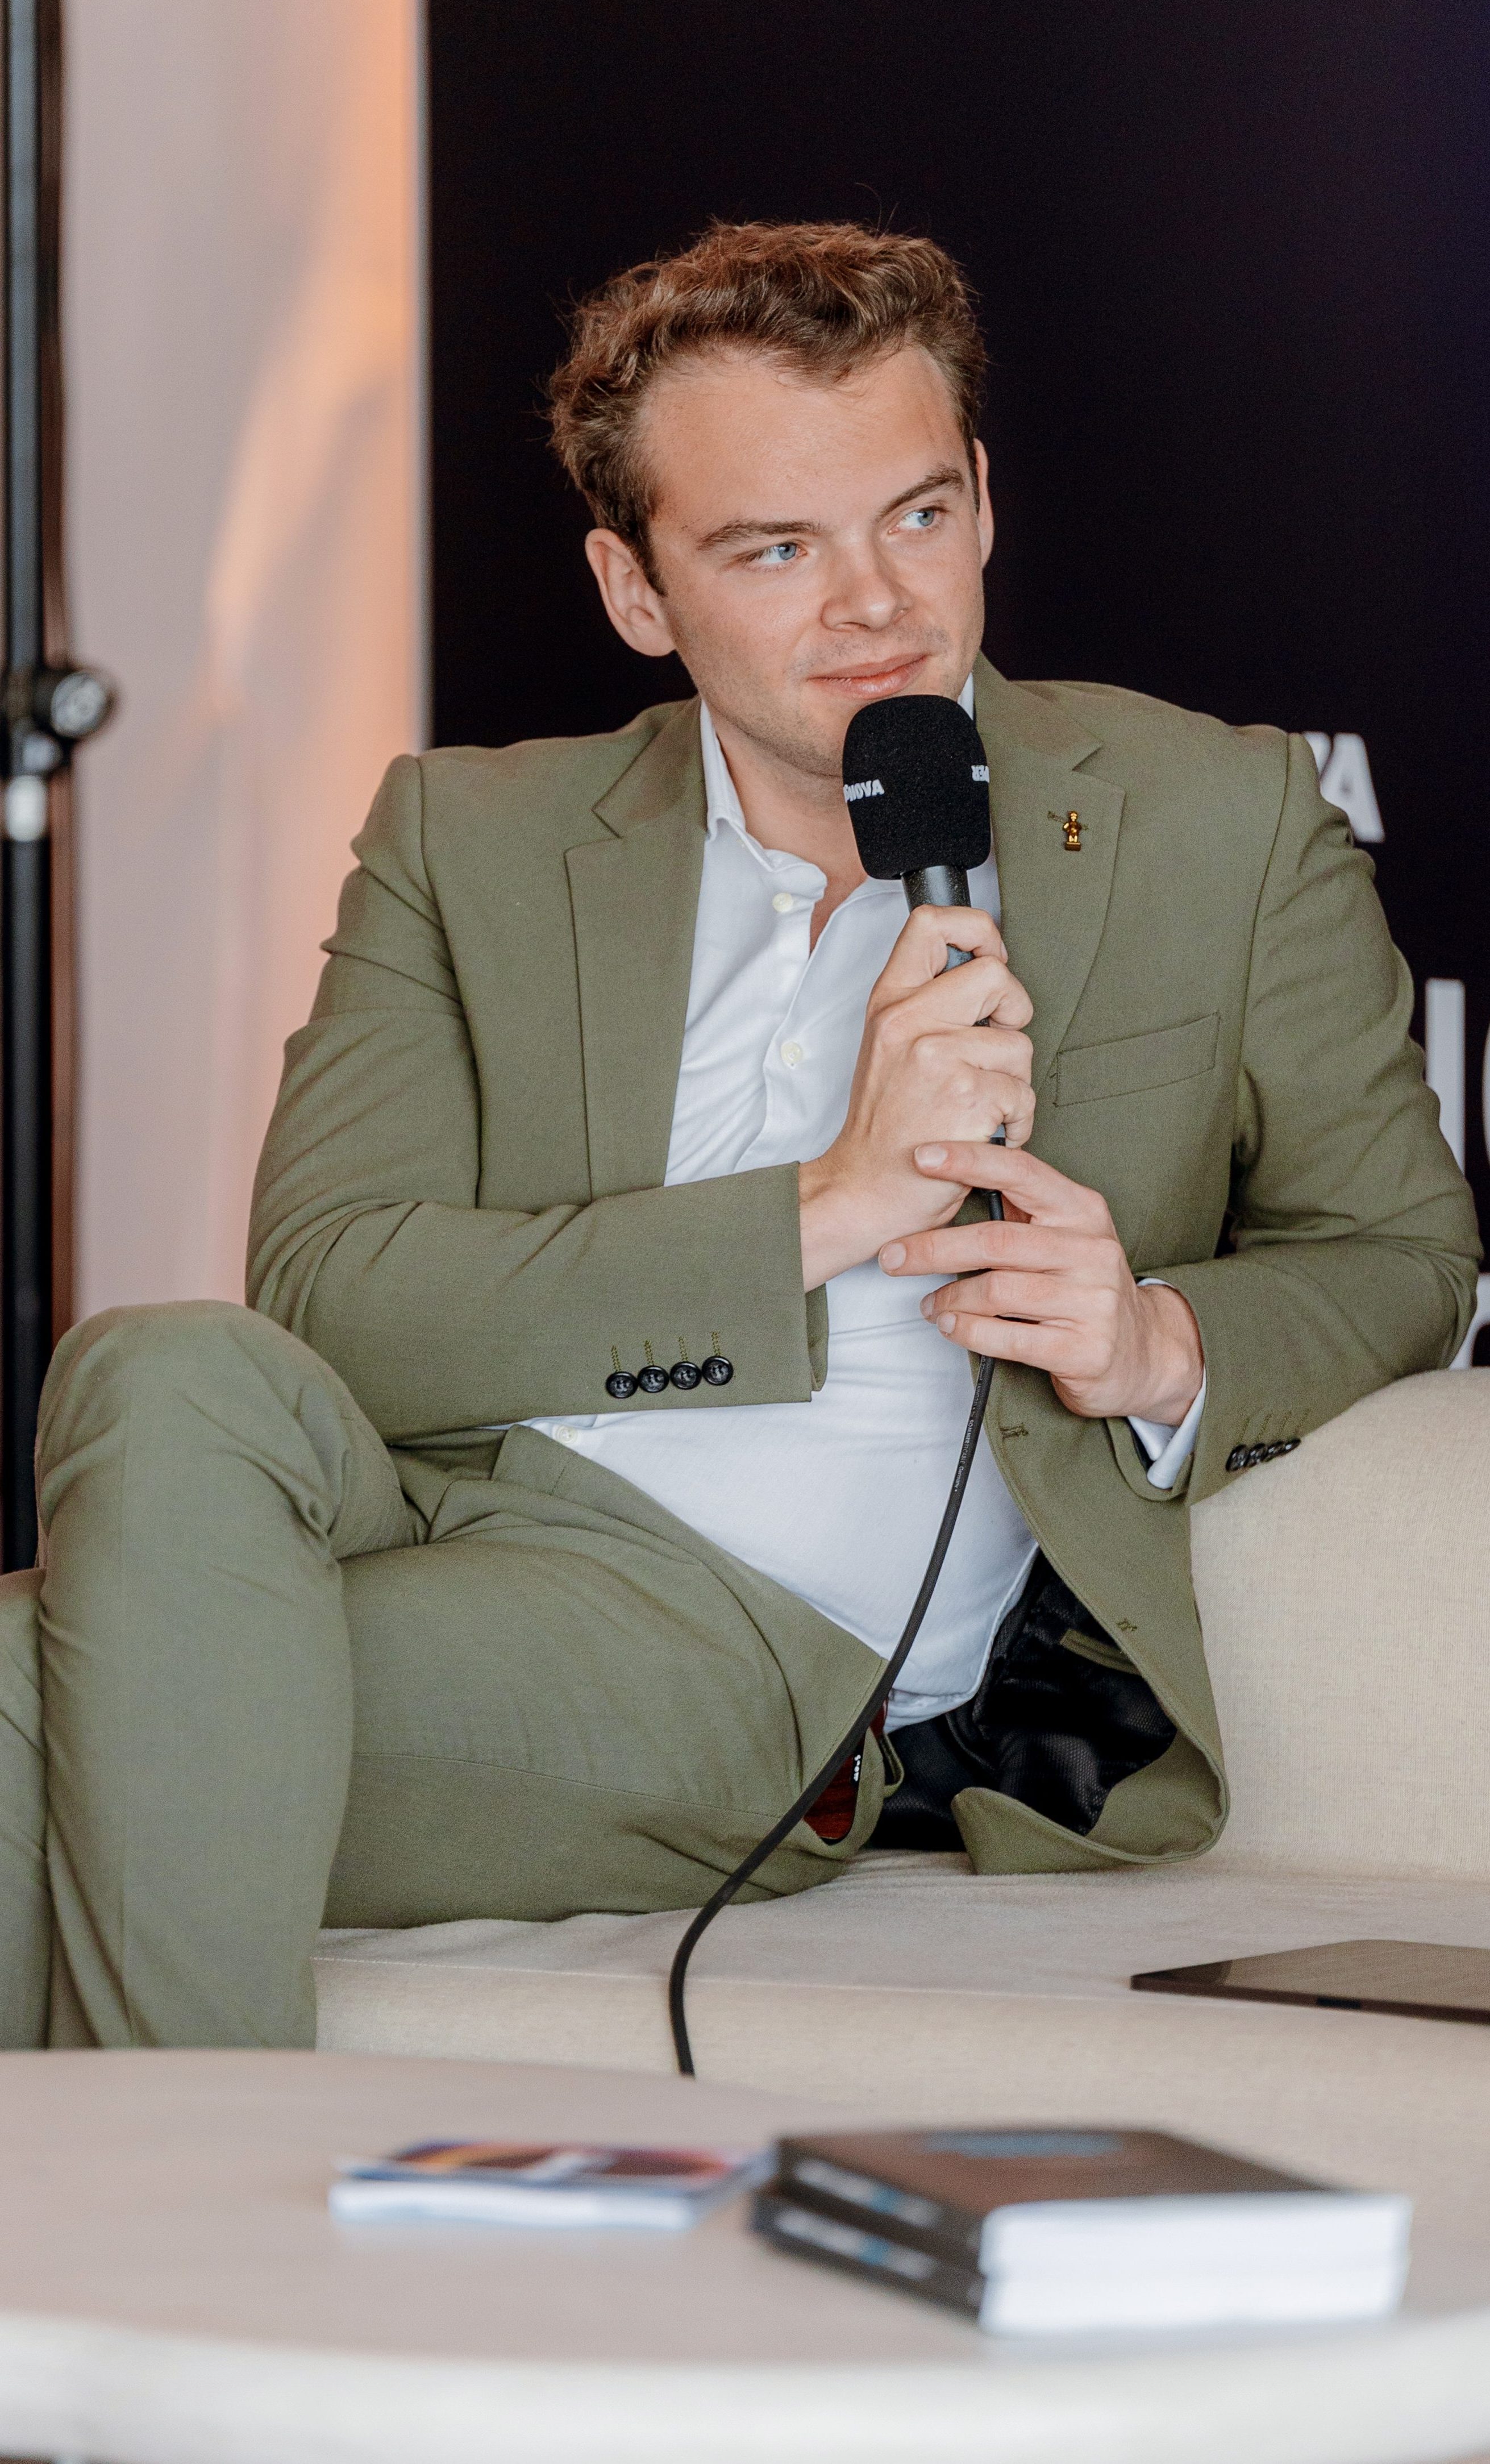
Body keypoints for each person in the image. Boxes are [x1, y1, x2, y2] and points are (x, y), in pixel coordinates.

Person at [0, 222, 1477, 2049]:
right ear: (638, 591)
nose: (875, 604)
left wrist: (1156, 1343)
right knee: (161, 1371)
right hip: (405, 1514)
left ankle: (172, 2194)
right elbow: (332, 1300)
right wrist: (832, 1203)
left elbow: (1404, 1255)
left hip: (752, 1636)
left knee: (40, 1700)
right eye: (776, 549)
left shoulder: (1215, 820)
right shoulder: (469, 836)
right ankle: (199, 2179)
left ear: (986, 500)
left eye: (915, 517)